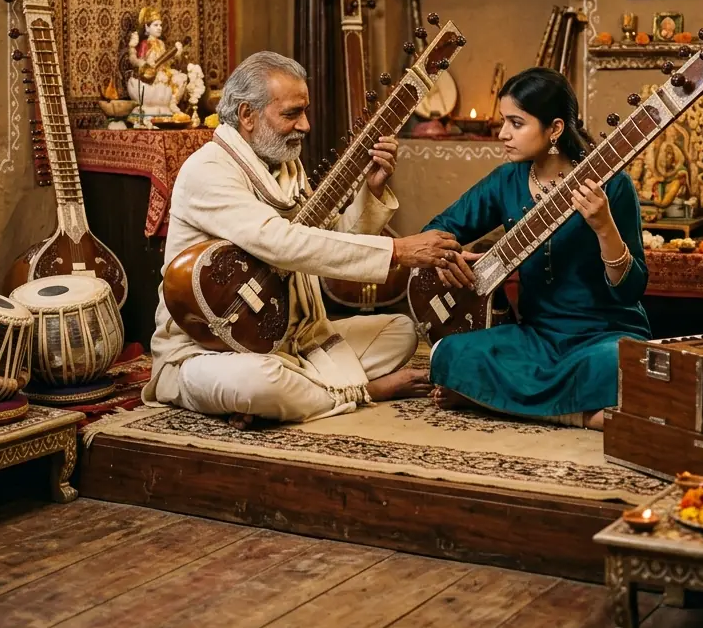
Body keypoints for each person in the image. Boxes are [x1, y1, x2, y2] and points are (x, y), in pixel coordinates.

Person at [143, 51, 466, 428]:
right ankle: (363, 391)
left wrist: (371, 192)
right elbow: (282, 243)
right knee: (259, 382)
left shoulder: (285, 172)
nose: (306, 125)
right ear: (247, 115)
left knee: (401, 332)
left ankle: (299, 392)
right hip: (207, 349)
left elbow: (324, 250)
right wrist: (398, 251)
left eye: (305, 111)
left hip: (289, 339)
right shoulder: (208, 170)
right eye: (292, 113)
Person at [423, 67, 650, 431]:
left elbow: (630, 290)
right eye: (503, 122)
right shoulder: (507, 181)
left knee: (620, 364)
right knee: (449, 352)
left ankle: (491, 399)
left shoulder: (611, 184)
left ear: (555, 129)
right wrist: (449, 258)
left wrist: (605, 226)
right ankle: (583, 415)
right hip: (536, 337)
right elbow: (436, 231)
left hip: (602, 334)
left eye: (516, 123)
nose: (503, 134)